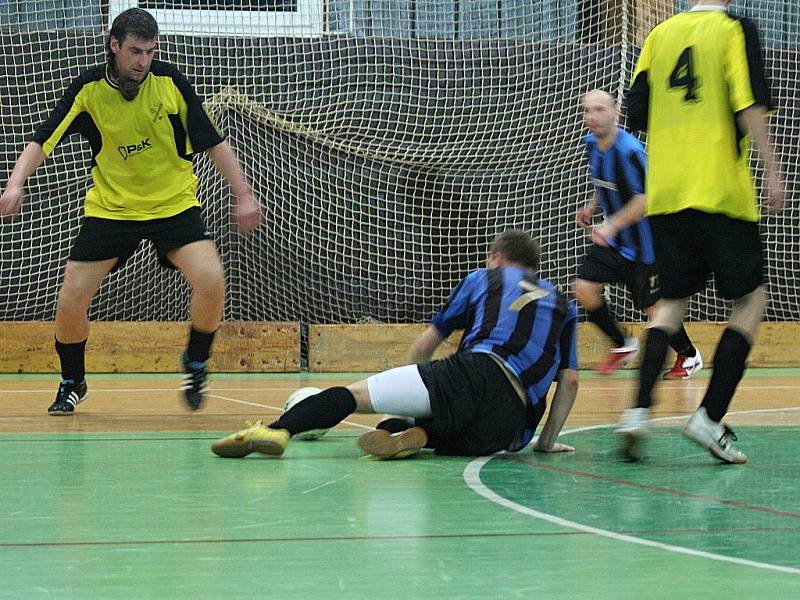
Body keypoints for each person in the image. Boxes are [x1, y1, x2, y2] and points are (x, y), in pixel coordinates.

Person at [0, 8, 261, 414]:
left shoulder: (169, 82)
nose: (143, 61)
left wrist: (242, 195)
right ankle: (73, 381)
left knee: (211, 280)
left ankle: (195, 361)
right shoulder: (89, 89)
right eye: (136, 51)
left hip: (173, 205)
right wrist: (15, 184)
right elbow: (42, 139)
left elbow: (213, 141)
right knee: (71, 298)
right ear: (114, 46)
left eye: (150, 52)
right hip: (112, 209)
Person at [211, 229, 579, 460]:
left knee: (355, 395)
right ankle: (416, 433)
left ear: (498, 258)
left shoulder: (486, 277)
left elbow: (425, 344)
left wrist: (409, 383)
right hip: (508, 424)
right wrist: (546, 442)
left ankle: (276, 430)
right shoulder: (563, 304)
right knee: (446, 429)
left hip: (473, 372)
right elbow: (570, 382)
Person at [618, 0, 784, 463]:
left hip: (667, 193)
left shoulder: (659, 35)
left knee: (670, 303)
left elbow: (640, 113)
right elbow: (748, 103)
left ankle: (636, 411)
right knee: (751, 301)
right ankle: (709, 416)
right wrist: (772, 171)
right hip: (719, 190)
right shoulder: (732, 27)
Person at [575, 90, 701, 378]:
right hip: (618, 243)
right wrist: (592, 207)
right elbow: (604, 181)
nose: (591, 116)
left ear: (615, 113)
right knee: (583, 287)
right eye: (586, 110)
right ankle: (622, 344)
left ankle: (689, 355)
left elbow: (645, 200)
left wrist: (610, 226)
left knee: (653, 310)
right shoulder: (591, 144)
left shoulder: (630, 151)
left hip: (647, 246)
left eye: (598, 109)